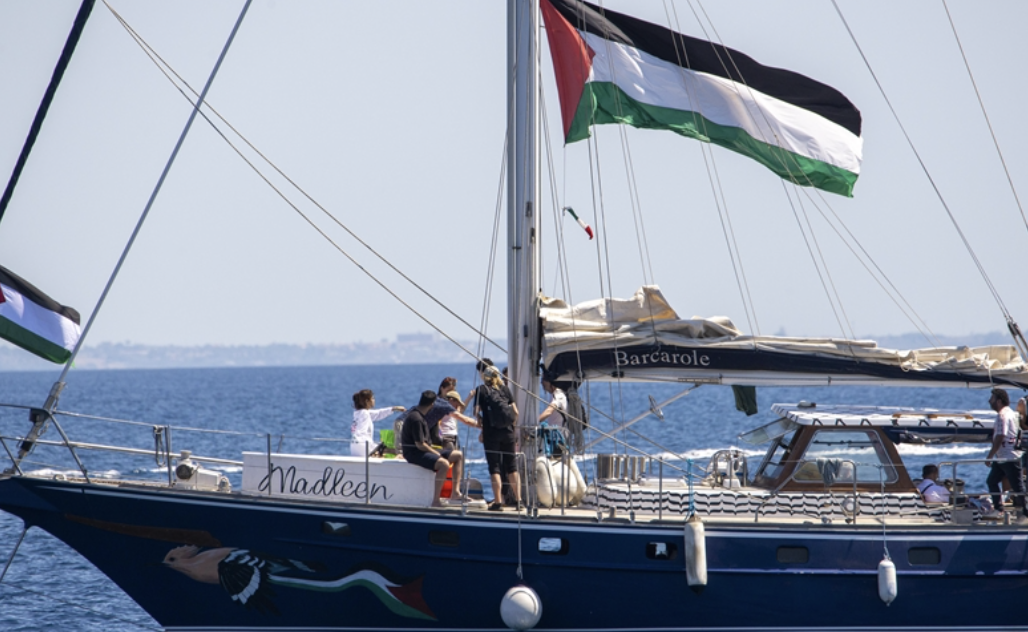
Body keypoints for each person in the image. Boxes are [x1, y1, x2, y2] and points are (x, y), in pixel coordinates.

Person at [400, 390, 465, 507]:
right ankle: (436, 501)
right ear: (432, 404)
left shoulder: (421, 415)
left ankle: (455, 493)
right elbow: (420, 444)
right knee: (444, 464)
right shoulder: (416, 419)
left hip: (423, 450)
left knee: (458, 455)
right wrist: (436, 453)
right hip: (414, 453)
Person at [473, 359, 521, 511]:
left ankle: (498, 502)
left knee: (495, 468)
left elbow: (476, 413)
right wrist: (511, 428)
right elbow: (516, 413)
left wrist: (481, 423)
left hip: (491, 434)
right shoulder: (505, 389)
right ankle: (519, 501)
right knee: (512, 468)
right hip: (508, 433)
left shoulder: (481, 390)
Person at [985, 388, 1027, 518]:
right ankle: (999, 509)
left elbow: (1001, 436)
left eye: (991, 399)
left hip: (1009, 457)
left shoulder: (1002, 415)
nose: (989, 401)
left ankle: (1026, 513)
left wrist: (990, 455)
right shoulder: (1011, 413)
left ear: (998, 401)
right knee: (992, 481)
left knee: (1017, 486)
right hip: (1003, 458)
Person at [350, 389, 405, 457]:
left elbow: (378, 413)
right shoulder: (365, 414)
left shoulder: (359, 413)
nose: (374, 400)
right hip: (363, 445)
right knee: (394, 451)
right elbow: (361, 433)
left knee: (386, 450)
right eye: (372, 398)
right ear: (367, 401)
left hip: (354, 446)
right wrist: (375, 448)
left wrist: (394, 408)